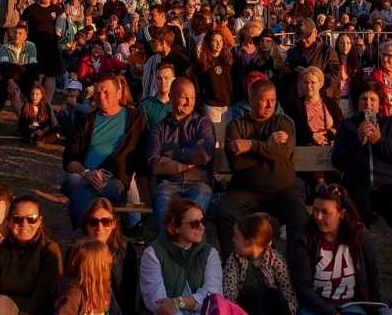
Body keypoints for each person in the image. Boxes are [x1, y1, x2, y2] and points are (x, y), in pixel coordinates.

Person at [289, 183, 392, 315]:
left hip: (351, 304)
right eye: (315, 210)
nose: (318, 217)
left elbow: (372, 275)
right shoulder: (304, 239)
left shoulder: (360, 236)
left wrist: (375, 310)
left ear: (342, 213)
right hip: (314, 306)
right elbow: (301, 287)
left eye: (325, 212)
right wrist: (329, 314)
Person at [332, 87, 392, 279]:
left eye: (373, 99)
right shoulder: (347, 126)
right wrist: (358, 142)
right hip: (359, 182)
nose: (368, 103)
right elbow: (338, 161)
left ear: (379, 103)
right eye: (364, 99)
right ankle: (356, 266)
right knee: (356, 221)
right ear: (357, 103)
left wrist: (379, 141)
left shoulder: (391, 124)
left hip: (388, 181)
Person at [212, 74, 308, 257]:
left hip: (282, 190)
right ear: (251, 100)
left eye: (273, 100)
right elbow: (236, 163)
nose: (270, 105)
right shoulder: (237, 126)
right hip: (245, 190)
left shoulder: (283, 122)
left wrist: (250, 145)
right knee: (224, 211)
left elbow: (283, 153)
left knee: (299, 215)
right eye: (264, 100)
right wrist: (269, 147)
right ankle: (233, 266)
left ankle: (298, 268)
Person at [135, 198, 224, 315]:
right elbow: (156, 301)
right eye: (194, 223)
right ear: (174, 228)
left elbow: (213, 295)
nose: (201, 228)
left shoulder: (210, 253)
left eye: (202, 222)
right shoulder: (153, 253)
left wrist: (179, 302)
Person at [61, 72, 147, 229]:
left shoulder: (135, 120)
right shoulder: (86, 121)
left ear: (119, 93)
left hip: (113, 181)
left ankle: (83, 231)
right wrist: (87, 173)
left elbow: (141, 156)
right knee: (75, 181)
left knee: (81, 189)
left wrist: (128, 179)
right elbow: (69, 159)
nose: (101, 96)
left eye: (106, 92)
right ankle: (91, 232)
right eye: (98, 92)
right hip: (84, 175)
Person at [222, 212, 306, 315]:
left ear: (250, 242)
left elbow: (289, 294)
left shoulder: (275, 260)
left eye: (236, 237)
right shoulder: (234, 261)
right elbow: (229, 295)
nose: (233, 240)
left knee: (274, 294)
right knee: (251, 295)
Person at [146, 78, 215, 227]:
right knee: (167, 225)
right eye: (184, 97)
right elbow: (155, 164)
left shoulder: (203, 123)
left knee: (192, 224)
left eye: (193, 98)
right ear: (171, 97)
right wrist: (188, 165)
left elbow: (204, 154)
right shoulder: (158, 128)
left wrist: (171, 152)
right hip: (168, 185)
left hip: (199, 184)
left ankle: (191, 250)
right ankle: (168, 250)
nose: (189, 103)